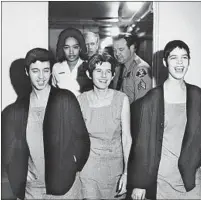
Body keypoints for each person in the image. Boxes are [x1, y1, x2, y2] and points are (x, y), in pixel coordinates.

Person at [2, 48, 90, 199]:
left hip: (64, 188)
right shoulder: (15, 110)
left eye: (46, 70)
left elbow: (82, 140)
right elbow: (9, 149)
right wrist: (19, 172)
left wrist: (72, 166)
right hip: (32, 189)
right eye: (35, 70)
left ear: (51, 72)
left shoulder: (65, 99)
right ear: (27, 72)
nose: (41, 77)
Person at [128, 40, 201, 199]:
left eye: (184, 57)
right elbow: (142, 145)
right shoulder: (151, 100)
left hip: (191, 175)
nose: (180, 62)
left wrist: (191, 157)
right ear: (165, 62)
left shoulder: (195, 93)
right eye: (174, 58)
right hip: (162, 180)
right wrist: (140, 183)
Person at [77, 52, 132, 199]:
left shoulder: (122, 99)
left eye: (108, 71)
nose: (103, 76)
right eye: (98, 71)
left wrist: (126, 173)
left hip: (115, 169)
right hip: (88, 170)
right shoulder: (80, 101)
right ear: (89, 74)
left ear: (113, 75)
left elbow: (127, 138)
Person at [52, 27, 93, 96]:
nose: (71, 52)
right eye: (67, 47)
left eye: (75, 47)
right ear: (62, 49)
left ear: (80, 48)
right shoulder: (56, 67)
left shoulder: (87, 66)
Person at [112, 33, 152, 104]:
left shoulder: (141, 69)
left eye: (121, 49)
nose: (117, 54)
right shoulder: (118, 68)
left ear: (132, 48)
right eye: (114, 50)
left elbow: (142, 104)